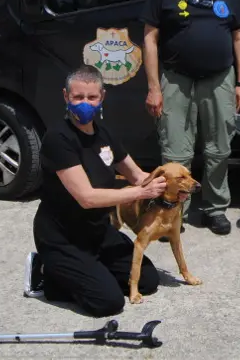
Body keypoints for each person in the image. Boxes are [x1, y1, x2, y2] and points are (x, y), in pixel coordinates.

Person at [25, 65, 168, 317]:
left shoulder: (105, 133)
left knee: (147, 281)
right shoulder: (58, 138)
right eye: (78, 97)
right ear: (66, 97)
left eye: (91, 97)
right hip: (63, 237)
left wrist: (167, 185)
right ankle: (47, 272)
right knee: (108, 303)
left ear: (102, 97)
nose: (85, 103)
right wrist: (138, 193)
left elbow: (137, 175)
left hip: (98, 232)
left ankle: (89, 271)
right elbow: (87, 198)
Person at [140, 0, 240, 236]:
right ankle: (174, 212)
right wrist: (153, 87)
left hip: (219, 79)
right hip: (175, 80)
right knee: (175, 151)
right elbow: (150, 39)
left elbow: (239, 36)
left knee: (220, 148)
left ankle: (215, 208)